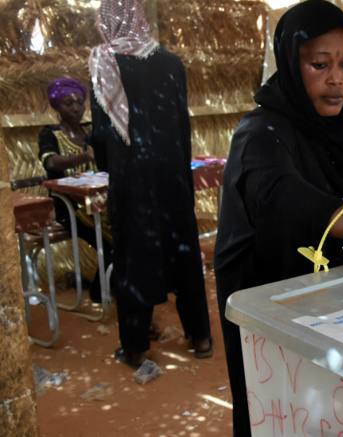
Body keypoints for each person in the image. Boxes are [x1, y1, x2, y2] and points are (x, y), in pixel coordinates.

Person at [214, 1, 343, 434]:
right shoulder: (260, 132)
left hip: (332, 291)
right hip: (267, 288)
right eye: (319, 64)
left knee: (335, 407)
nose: (336, 79)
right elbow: (275, 195)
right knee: (278, 406)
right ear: (292, 63)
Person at [88, 0, 212, 370]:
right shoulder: (172, 63)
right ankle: (201, 337)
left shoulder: (103, 61)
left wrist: (112, 172)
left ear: (107, 21)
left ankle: (136, 347)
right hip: (173, 178)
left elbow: (100, 133)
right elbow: (182, 127)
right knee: (185, 253)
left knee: (133, 259)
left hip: (132, 183)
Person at [38, 77, 113, 304]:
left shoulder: (92, 130)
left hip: (103, 201)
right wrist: (84, 156)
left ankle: (113, 285)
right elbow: (50, 163)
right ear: (57, 108)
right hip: (71, 208)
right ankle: (101, 292)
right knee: (113, 241)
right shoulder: (49, 134)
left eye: (79, 102)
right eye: (68, 104)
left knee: (128, 230)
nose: (76, 108)